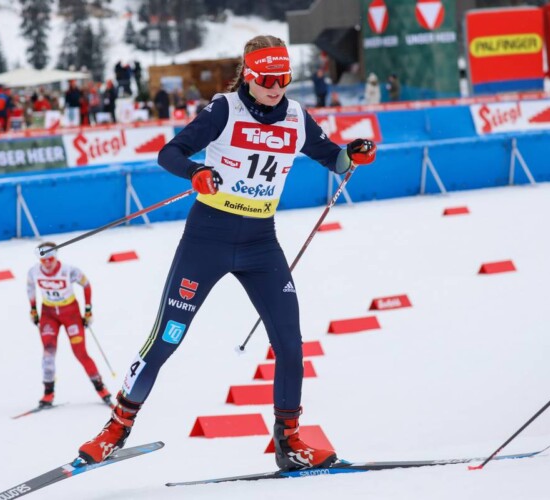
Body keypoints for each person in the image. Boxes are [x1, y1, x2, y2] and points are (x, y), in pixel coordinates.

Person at [78, 35, 377, 471]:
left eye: (284, 78)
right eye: (268, 79)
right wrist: (196, 171)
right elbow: (170, 153)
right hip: (208, 240)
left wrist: (352, 154)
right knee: (166, 339)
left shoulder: (296, 117)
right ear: (250, 76)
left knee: (291, 345)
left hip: (261, 244)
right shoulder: (225, 109)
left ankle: (289, 441)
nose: (276, 87)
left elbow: (333, 159)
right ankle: (116, 428)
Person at [27, 242, 113, 408]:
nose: (48, 264)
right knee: (48, 352)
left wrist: (88, 310)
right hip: (48, 314)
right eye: (44, 260)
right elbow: (30, 288)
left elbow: (86, 285)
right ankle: (48, 394)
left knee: (80, 353)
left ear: (56, 256)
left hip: (70, 313)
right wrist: (33, 309)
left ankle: (102, 389)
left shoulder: (69, 270)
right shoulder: (34, 272)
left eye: (51, 259)